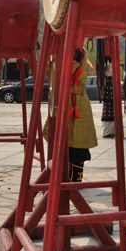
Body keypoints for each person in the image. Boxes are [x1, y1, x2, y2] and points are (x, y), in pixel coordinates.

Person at [44, 48, 98, 182]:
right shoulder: (61, 49)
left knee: (77, 145)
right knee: (63, 142)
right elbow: (49, 72)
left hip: (76, 102)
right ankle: (63, 177)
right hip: (65, 100)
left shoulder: (77, 51)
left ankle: (74, 179)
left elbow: (64, 72)